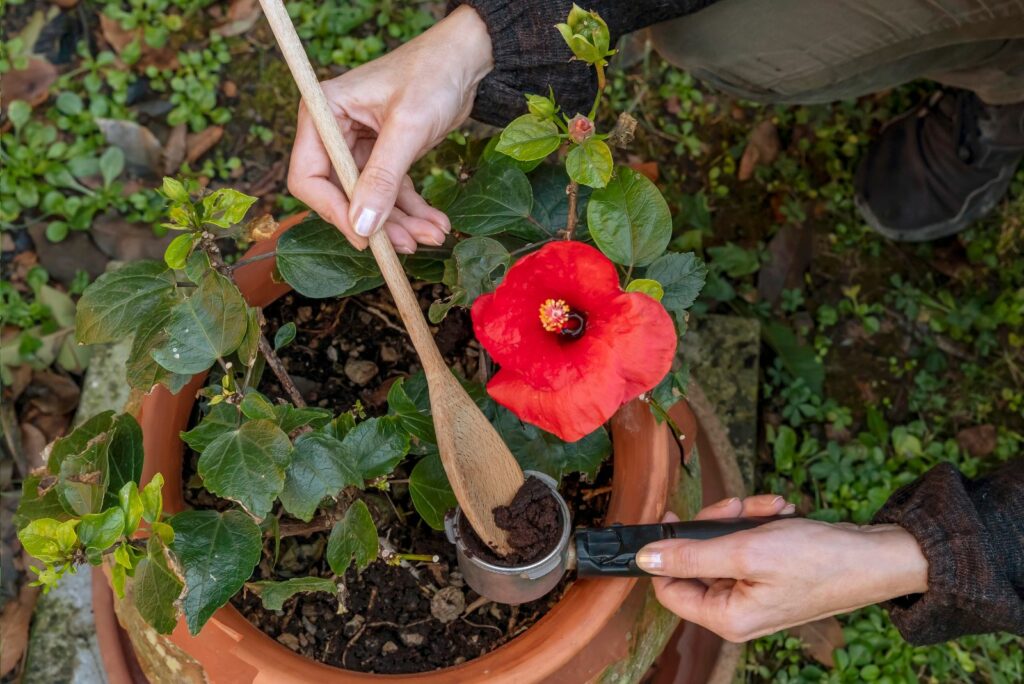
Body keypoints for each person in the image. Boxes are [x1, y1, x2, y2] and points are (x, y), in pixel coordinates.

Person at [287, 1, 1024, 644]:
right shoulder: (552, 298)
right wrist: (478, 37)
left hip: (590, 312)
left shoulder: (601, 314)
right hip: (574, 303)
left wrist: (915, 555)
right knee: (718, 38)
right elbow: (540, 302)